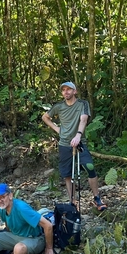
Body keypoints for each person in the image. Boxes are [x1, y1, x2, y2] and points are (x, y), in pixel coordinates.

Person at [41, 81, 106, 211]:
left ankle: (97, 198)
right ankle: (72, 201)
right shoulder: (59, 106)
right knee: (67, 174)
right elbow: (45, 117)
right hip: (64, 144)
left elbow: (83, 119)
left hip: (80, 143)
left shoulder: (82, 104)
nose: (66, 92)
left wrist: (78, 135)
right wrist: (57, 129)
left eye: (68, 89)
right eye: (63, 90)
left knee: (90, 168)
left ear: (74, 91)